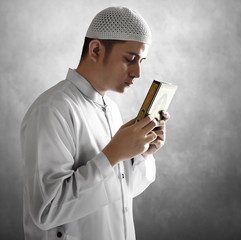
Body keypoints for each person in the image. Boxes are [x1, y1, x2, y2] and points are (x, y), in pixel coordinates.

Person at [20, 6, 169, 240]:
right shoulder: (52, 109)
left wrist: (142, 155)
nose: (138, 72)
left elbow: (119, 193)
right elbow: (46, 211)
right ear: (96, 49)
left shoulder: (111, 109)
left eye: (142, 61)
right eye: (130, 59)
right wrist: (112, 155)